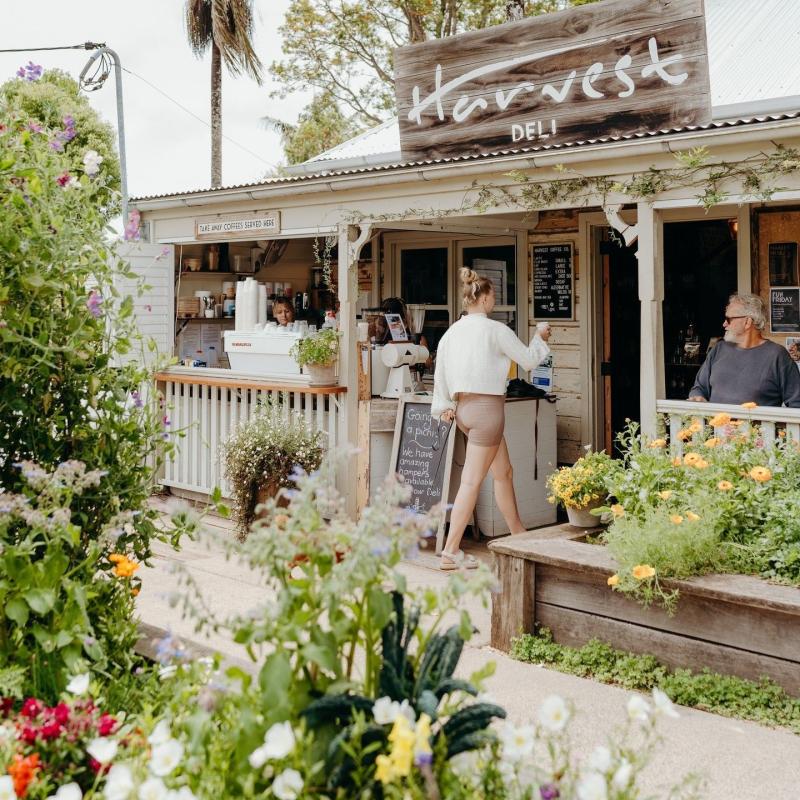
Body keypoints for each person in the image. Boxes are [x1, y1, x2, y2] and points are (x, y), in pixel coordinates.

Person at [431, 268, 551, 570]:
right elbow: (528, 359)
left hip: (463, 410)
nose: (494, 301)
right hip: (489, 411)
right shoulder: (495, 330)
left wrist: (444, 405)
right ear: (483, 298)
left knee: (504, 472)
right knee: (471, 481)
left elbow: (440, 374)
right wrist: (540, 336)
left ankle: (517, 533)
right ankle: (450, 550)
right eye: (493, 296)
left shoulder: (451, 333)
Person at [688, 293, 800, 407]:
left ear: (747, 322)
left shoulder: (777, 356)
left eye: (729, 319)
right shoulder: (719, 349)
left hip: (755, 425)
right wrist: (698, 397)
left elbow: (796, 403)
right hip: (717, 424)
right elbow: (699, 388)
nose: (724, 324)